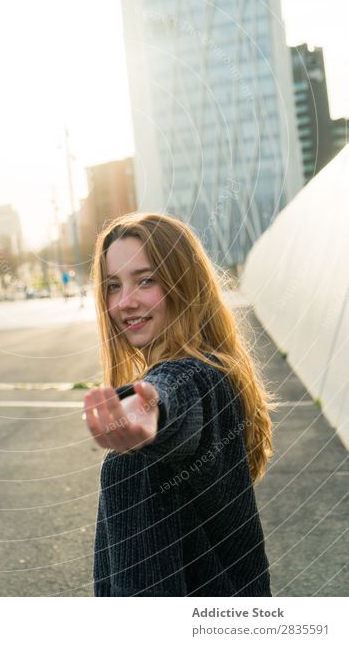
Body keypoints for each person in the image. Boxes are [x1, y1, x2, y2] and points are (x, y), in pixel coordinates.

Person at [84, 213, 273, 597]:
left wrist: (146, 410)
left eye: (146, 280)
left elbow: (173, 400)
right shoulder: (217, 368)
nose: (125, 302)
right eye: (113, 285)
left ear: (184, 283)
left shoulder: (196, 377)